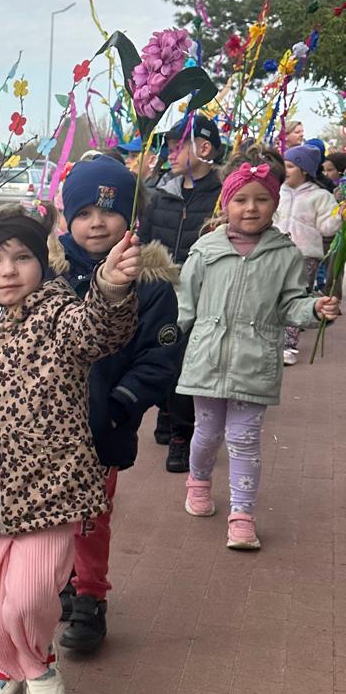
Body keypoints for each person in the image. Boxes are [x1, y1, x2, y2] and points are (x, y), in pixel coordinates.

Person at [0, 205, 139, 694]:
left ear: (43, 262)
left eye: (21, 257)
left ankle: (36, 661)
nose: (8, 270)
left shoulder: (57, 317)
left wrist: (110, 287)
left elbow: (98, 330)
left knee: (30, 595)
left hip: (51, 491)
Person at [179, 152, 340, 550]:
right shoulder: (205, 250)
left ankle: (242, 515)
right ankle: (198, 481)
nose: (251, 207)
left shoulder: (285, 254)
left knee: (245, 439)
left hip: (257, 361)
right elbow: (184, 303)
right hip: (206, 358)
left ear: (275, 203)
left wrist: (314, 310)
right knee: (207, 433)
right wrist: (166, 338)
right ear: (226, 204)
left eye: (261, 199)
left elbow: (291, 304)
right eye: (241, 199)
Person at [56, 158, 182, 652]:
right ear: (67, 216)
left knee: (91, 516)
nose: (96, 223)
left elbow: (158, 358)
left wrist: (119, 406)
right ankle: (61, 579)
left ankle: (90, 595)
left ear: (131, 218)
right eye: (84, 212)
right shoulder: (47, 272)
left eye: (109, 212)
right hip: (45, 424)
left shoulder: (150, 285)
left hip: (102, 424)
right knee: (50, 510)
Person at [138, 113, 224, 475]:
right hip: (163, 293)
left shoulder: (222, 198)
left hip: (203, 296)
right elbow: (144, 240)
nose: (170, 154)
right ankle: (166, 410)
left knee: (187, 363)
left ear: (204, 148)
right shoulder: (161, 196)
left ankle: (181, 433)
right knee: (162, 353)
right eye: (169, 147)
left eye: (178, 146)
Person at [276, 144, 341, 364]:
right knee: (273, 294)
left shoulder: (320, 196)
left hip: (305, 255)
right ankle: (272, 338)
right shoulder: (277, 192)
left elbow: (327, 228)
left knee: (296, 296)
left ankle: (288, 345)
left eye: (290, 166)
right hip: (276, 251)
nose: (285, 170)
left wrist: (339, 216)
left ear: (304, 170)